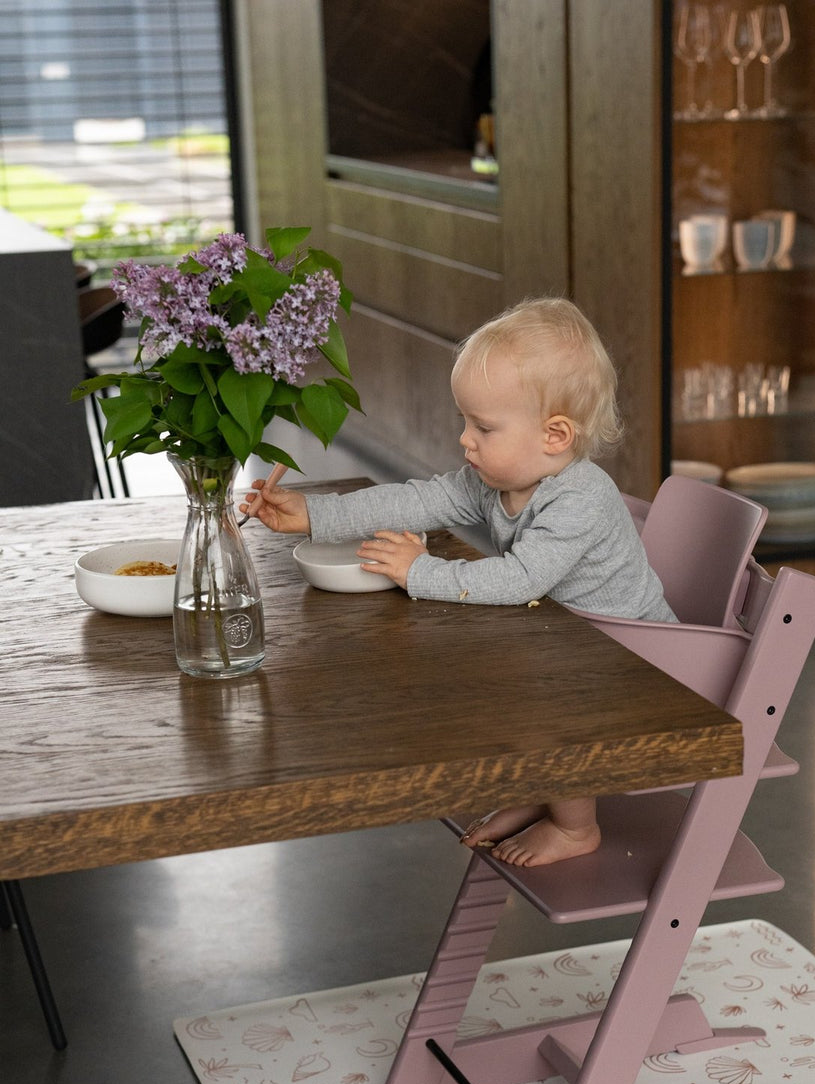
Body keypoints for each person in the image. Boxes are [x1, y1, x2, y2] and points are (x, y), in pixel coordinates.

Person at [241, 296, 675, 867]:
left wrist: (421, 572)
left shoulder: (582, 497)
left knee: (541, 696)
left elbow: (522, 579)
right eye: (466, 422)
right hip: (578, 642)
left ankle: (575, 827)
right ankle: (545, 790)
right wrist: (314, 514)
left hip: (643, 664)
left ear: (555, 435)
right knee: (498, 667)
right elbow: (418, 498)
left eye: (484, 427)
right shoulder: (501, 481)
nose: (465, 440)